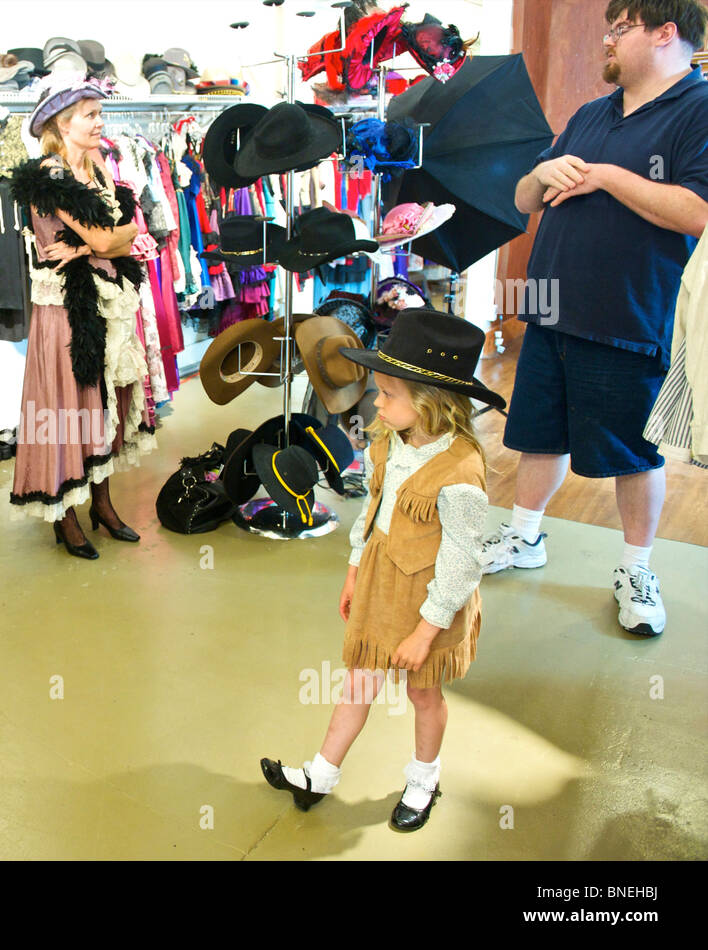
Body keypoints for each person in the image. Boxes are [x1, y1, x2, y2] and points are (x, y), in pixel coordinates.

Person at [484, 0, 708, 638]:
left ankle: (637, 568)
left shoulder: (699, 109)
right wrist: (537, 173)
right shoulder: (590, 113)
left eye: (621, 27)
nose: (607, 39)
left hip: (630, 313)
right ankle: (526, 536)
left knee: (633, 452)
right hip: (551, 308)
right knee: (538, 431)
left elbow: (696, 210)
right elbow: (526, 199)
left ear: (667, 33)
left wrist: (607, 176)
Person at [261, 310, 503, 832]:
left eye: (389, 394)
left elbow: (463, 564)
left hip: (432, 599)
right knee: (357, 683)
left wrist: (425, 630)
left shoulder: (460, 472)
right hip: (380, 581)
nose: (377, 403)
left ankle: (423, 779)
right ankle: (320, 775)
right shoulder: (390, 441)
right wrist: (353, 572)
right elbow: (372, 514)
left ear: (430, 402)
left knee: (423, 693)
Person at [6, 78, 157, 559]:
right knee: (67, 409)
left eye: (98, 113)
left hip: (106, 298)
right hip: (66, 306)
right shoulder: (49, 175)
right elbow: (114, 240)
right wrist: (107, 239)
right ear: (61, 123)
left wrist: (100, 240)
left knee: (103, 404)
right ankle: (64, 515)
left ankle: (103, 505)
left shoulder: (98, 170)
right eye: (89, 114)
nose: (99, 122)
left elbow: (130, 234)